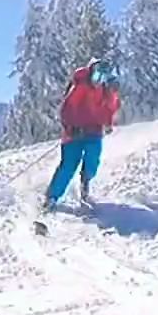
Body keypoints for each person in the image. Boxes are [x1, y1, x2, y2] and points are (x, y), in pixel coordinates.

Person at [45, 58, 120, 209]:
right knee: (68, 165)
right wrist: (70, 126)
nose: (98, 80)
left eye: (103, 77)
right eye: (97, 75)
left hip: (94, 130)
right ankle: (52, 197)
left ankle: (85, 181)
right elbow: (67, 108)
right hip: (74, 132)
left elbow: (108, 109)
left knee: (93, 159)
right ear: (91, 71)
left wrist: (108, 119)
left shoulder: (105, 91)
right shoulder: (81, 85)